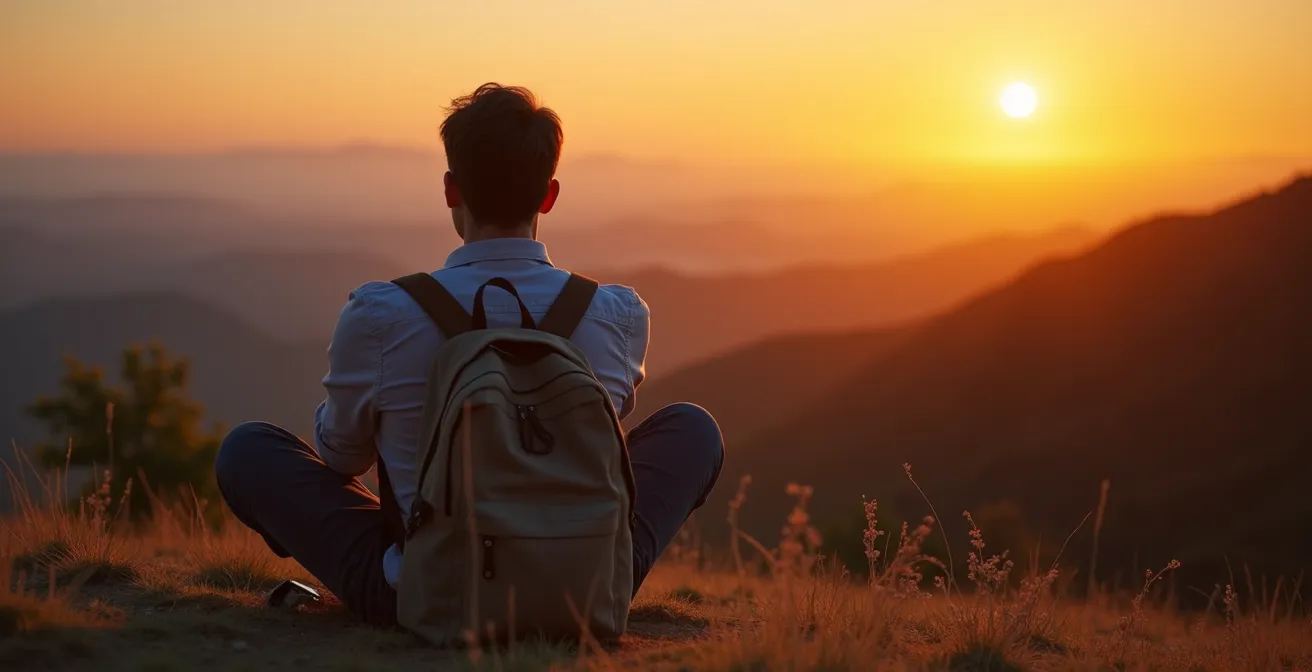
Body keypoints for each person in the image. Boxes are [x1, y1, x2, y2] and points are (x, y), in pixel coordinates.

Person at [214, 83, 725, 626]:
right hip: (583, 590)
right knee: (693, 429)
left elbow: (343, 459)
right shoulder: (617, 315)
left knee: (248, 449)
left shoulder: (380, 314)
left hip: (423, 597)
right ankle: (594, 583)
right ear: (549, 195)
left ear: (451, 189)